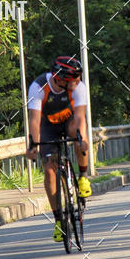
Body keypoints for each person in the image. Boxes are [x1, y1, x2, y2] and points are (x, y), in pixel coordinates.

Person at [26, 55, 91, 243]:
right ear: (60, 79)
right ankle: (59, 220)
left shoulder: (79, 87)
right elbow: (34, 120)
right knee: (49, 169)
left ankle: (83, 177)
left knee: (78, 134)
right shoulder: (38, 87)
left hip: (70, 121)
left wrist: (83, 138)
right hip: (48, 127)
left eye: (78, 78)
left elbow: (80, 117)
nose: (77, 82)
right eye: (73, 80)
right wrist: (33, 145)